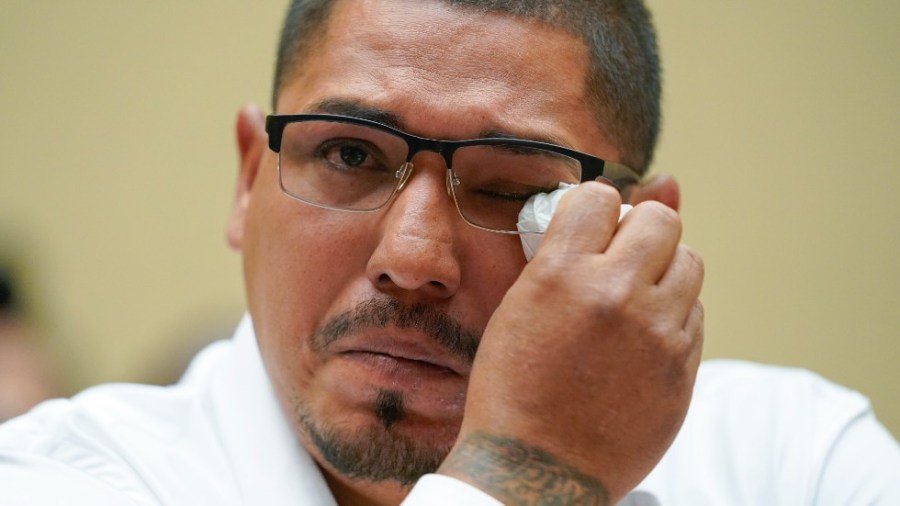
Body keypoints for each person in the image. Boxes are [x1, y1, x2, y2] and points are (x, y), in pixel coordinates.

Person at [1, 0, 898, 504]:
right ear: (248, 177)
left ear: (635, 236)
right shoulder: (61, 479)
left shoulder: (796, 461)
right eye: (350, 155)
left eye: (511, 185)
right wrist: (535, 474)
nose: (414, 255)